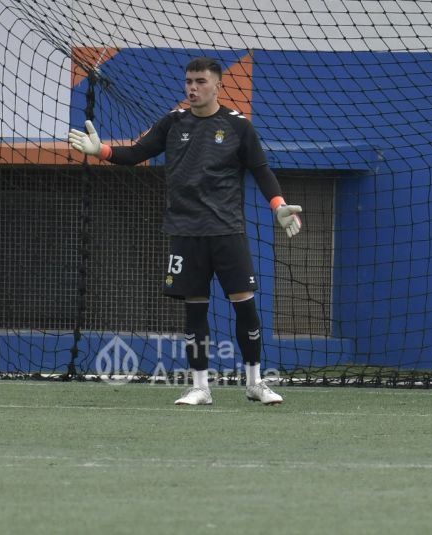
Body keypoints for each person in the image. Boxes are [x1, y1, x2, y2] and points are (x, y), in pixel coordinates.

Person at [68, 57, 302, 405]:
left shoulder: (239, 127)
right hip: (185, 232)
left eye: (200, 82)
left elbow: (261, 170)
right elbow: (135, 153)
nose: (192, 88)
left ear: (218, 84)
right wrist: (100, 150)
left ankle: (255, 383)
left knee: (245, 307)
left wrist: (278, 205)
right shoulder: (173, 123)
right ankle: (200, 388)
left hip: (228, 232)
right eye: (189, 81)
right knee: (195, 309)